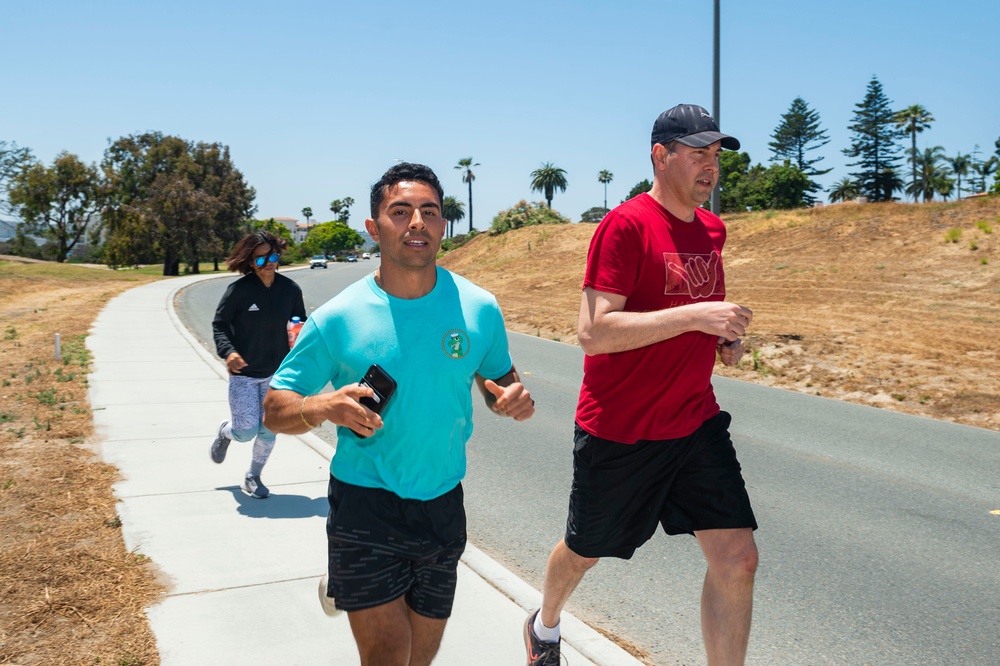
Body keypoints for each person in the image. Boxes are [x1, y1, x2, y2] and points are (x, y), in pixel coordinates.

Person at [262, 162, 534, 666]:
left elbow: (502, 385)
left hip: (443, 506)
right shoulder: (339, 317)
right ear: (374, 227)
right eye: (400, 211)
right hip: (365, 506)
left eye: (429, 212)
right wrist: (323, 406)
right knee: (389, 656)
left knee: (419, 659)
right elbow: (275, 408)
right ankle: (348, 576)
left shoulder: (478, 308)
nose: (417, 223)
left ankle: (341, 584)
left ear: (443, 226)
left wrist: (511, 400)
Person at [524, 104, 758, 666]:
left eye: (716, 155)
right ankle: (544, 625)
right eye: (698, 153)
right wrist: (698, 317)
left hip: (695, 421)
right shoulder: (625, 226)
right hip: (622, 428)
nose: (711, 166)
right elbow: (594, 332)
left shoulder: (711, 230)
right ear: (661, 155)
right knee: (585, 552)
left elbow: (692, 309)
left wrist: (721, 337)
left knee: (737, 558)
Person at [210, 230, 306, 499]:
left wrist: (297, 340)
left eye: (273, 256)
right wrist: (228, 352)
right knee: (245, 431)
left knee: (269, 429)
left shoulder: (289, 289)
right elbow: (220, 324)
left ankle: (253, 476)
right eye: (261, 259)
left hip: (277, 374)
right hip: (244, 373)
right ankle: (226, 433)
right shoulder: (239, 291)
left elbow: (298, 321)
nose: (269, 263)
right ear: (251, 262)